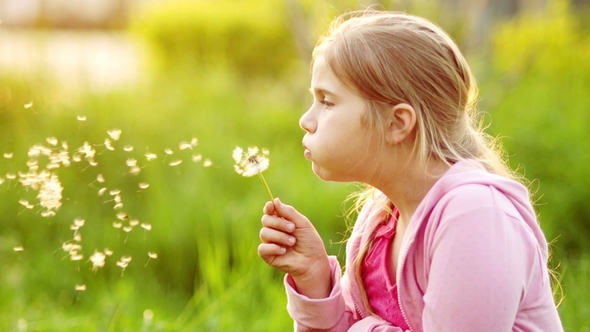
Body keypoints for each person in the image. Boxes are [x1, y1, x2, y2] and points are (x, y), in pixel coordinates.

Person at [257, 9, 563, 332]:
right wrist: (315, 277)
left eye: (327, 101)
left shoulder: (474, 215)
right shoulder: (380, 220)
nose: (306, 120)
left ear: (397, 123)